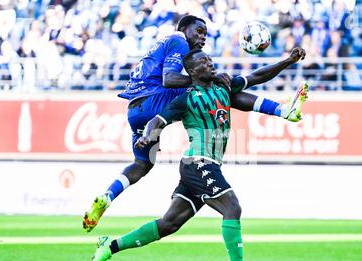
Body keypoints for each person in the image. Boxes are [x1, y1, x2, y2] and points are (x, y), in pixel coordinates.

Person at [87, 48, 309, 261]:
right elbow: (157, 121)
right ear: (191, 71)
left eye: (210, 60)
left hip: (207, 165)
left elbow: (257, 76)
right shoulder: (185, 98)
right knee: (232, 207)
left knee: (169, 224)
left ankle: (110, 246)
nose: (210, 64)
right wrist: (147, 138)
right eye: (204, 62)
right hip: (198, 163)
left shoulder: (223, 86)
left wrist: (288, 60)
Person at [82, 15, 308, 233]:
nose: (203, 38)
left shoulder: (164, 45)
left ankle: (107, 196)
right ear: (184, 29)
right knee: (222, 89)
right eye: (199, 32)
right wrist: (207, 80)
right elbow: (168, 79)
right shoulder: (178, 40)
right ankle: (281, 109)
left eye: (206, 35)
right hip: (155, 100)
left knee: (142, 164)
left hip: (135, 110)